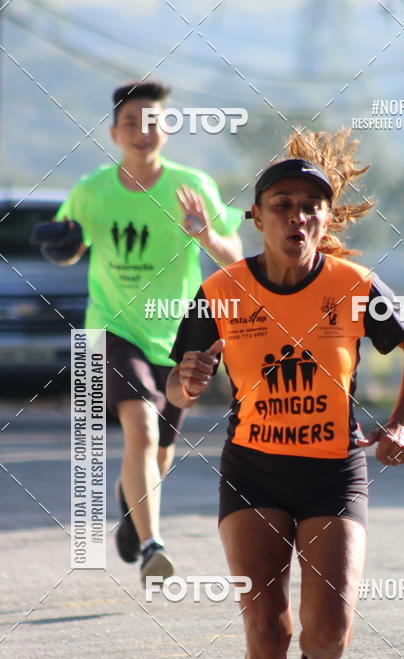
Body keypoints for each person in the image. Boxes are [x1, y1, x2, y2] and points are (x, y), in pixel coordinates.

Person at [166, 130, 404, 659]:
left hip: (332, 473)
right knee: (264, 625)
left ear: (325, 218)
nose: (298, 216)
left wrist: (402, 421)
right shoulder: (221, 291)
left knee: (326, 630)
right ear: (256, 218)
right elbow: (184, 379)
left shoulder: (353, 286)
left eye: (312, 205)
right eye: (282, 204)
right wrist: (186, 381)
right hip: (252, 467)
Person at [44, 81, 243, 583]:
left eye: (152, 121)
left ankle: (132, 508)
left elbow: (235, 257)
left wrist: (205, 233)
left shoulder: (191, 185)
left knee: (159, 450)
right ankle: (154, 544)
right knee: (142, 428)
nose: (142, 131)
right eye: (131, 122)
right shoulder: (93, 189)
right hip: (109, 329)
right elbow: (65, 242)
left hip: (180, 335)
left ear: (167, 129)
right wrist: (57, 242)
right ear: (114, 132)